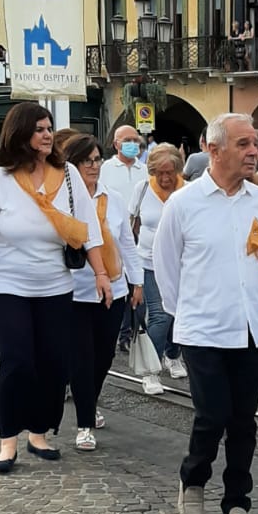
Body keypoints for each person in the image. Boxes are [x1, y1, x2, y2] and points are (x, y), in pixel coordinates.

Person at [0, 102, 109, 472]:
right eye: (39, 128)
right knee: (18, 360)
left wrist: (102, 276)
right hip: (3, 283)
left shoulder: (68, 174)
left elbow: (88, 232)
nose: (46, 134)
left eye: (48, 127)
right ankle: (8, 439)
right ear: (20, 133)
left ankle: (39, 432)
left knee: (54, 362)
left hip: (54, 284)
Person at [154, 114, 258, 514]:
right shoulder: (183, 204)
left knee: (244, 420)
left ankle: (237, 500)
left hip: (252, 328)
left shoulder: (257, 199)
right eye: (243, 144)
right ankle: (193, 479)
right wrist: (187, 313)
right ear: (214, 149)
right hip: (204, 329)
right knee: (212, 415)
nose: (253, 151)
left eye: (254, 144)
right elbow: (166, 268)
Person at [63, 135, 144, 450]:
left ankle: (88, 399)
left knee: (104, 356)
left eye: (97, 160)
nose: (94, 166)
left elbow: (126, 243)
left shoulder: (114, 200)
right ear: (72, 165)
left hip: (113, 288)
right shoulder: (63, 200)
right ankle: (84, 424)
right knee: (81, 357)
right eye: (87, 161)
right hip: (73, 290)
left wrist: (136, 282)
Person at [129, 142, 187, 394]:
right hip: (149, 263)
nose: (165, 178)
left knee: (179, 315)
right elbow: (132, 225)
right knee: (160, 315)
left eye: (170, 172)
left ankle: (173, 354)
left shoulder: (188, 191)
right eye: (159, 172)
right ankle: (151, 371)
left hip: (182, 264)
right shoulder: (141, 189)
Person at [100, 125, 148, 351]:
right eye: (127, 140)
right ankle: (122, 333)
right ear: (116, 144)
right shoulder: (106, 168)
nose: (132, 144)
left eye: (135, 140)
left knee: (136, 285)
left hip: (138, 233)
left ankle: (135, 332)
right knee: (119, 282)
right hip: (114, 235)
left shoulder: (144, 169)